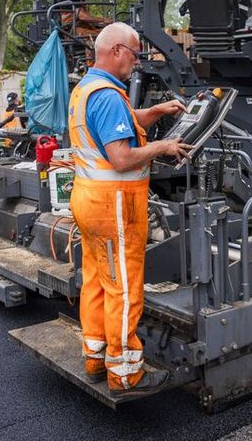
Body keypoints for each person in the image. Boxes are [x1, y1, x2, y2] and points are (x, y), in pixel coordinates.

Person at [68, 22, 192, 397]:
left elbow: (119, 124)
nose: (137, 63)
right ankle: (124, 374)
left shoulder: (88, 88)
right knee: (123, 287)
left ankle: (96, 357)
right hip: (114, 205)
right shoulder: (107, 95)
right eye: (136, 55)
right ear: (118, 50)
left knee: (96, 280)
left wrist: (153, 111)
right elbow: (121, 156)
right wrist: (164, 148)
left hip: (89, 199)